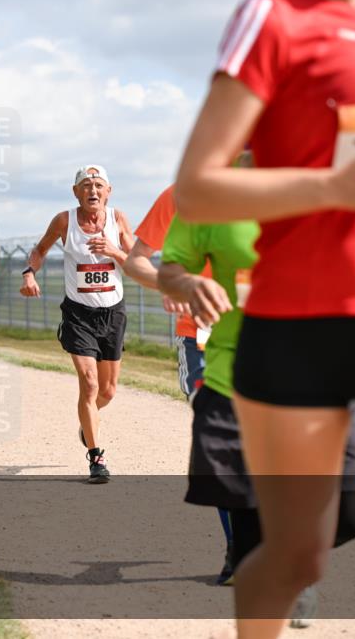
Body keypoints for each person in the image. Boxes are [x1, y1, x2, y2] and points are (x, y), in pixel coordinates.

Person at [174, 0, 355, 635]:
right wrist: (334, 185)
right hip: (297, 327)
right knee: (297, 556)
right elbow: (198, 187)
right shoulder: (275, 17)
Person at [157, 204, 355, 629]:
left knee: (353, 508)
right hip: (235, 375)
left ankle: (293, 563)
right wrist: (188, 282)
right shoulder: (215, 196)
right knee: (250, 529)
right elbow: (170, 268)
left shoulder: (331, 186)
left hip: (324, 373)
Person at [124, 183, 237, 583]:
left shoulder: (283, 188)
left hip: (269, 335)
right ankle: (239, 551)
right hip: (202, 338)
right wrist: (169, 284)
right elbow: (137, 260)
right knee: (221, 441)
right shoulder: (180, 195)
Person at [20, 165, 134, 480]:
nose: (92, 191)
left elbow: (136, 262)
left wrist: (114, 250)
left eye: (98, 185)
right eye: (86, 185)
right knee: (90, 383)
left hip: (113, 313)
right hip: (78, 314)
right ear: (76, 192)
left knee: (108, 391)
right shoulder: (64, 221)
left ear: (108, 191)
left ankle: (89, 423)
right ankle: (96, 457)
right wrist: (29, 272)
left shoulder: (118, 219)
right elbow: (39, 251)